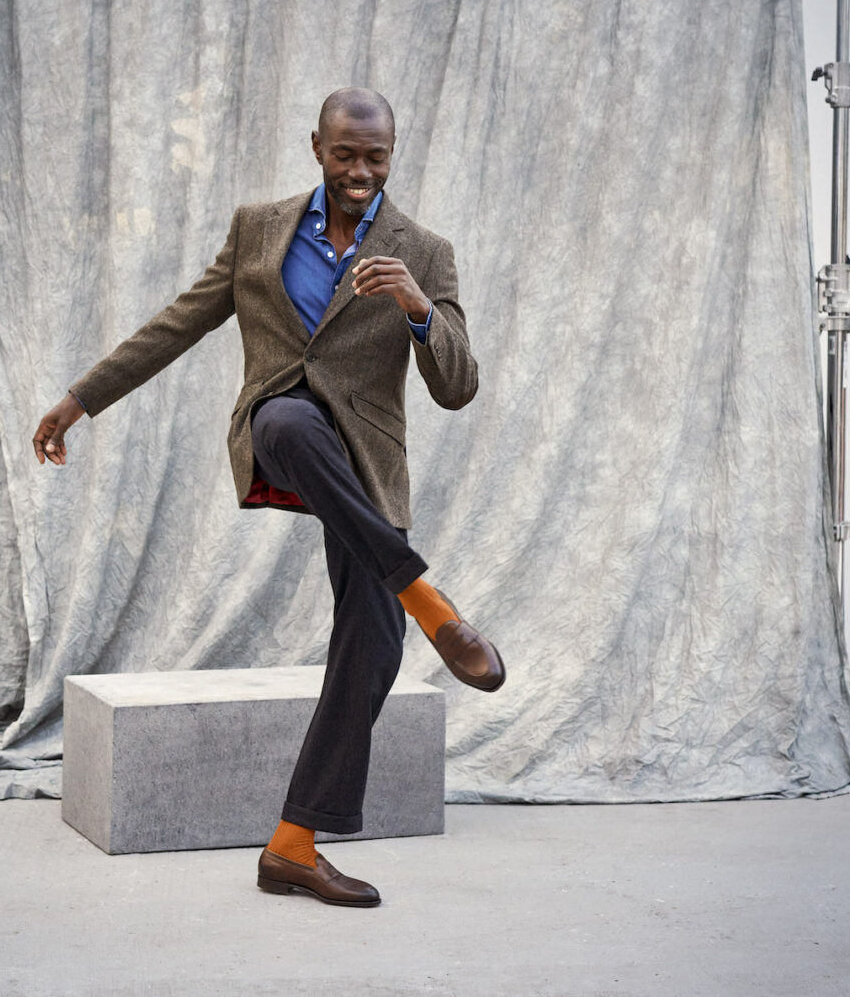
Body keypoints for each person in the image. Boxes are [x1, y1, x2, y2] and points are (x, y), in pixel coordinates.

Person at [33, 87, 504, 908]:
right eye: (346, 153)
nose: (361, 170)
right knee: (285, 416)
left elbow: (459, 387)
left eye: (377, 155)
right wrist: (80, 399)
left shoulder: (423, 249)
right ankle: (428, 595)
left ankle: (292, 844)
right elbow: (177, 322)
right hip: (282, 434)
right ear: (318, 146)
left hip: (366, 467)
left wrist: (418, 306)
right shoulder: (260, 227)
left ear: (393, 153)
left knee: (374, 648)